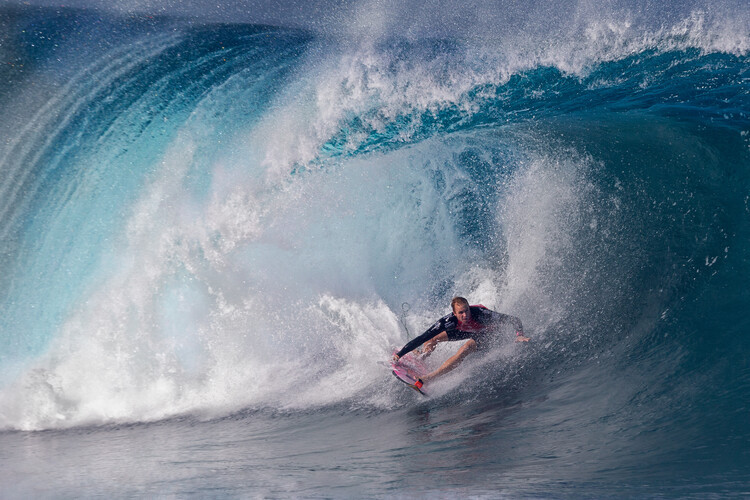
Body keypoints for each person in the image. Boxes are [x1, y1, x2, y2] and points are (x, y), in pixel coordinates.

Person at [392, 296, 529, 387]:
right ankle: (423, 355)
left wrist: (519, 335)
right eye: (461, 313)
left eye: (467, 311)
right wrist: (400, 355)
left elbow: (514, 319)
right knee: (432, 337)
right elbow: (422, 337)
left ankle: (428, 379)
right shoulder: (448, 321)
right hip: (468, 330)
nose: (465, 315)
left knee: (464, 349)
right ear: (454, 313)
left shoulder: (481, 315)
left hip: (489, 334)